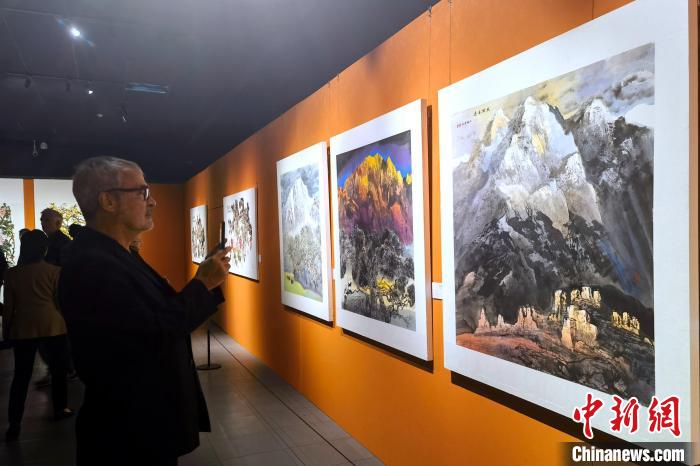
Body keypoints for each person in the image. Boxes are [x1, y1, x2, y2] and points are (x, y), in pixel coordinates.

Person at [59, 156, 230, 466]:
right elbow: (155, 332)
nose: (152, 202)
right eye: (142, 192)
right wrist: (202, 284)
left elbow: (154, 319)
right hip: (129, 432)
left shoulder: (114, 256)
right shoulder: (93, 264)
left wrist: (202, 284)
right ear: (108, 201)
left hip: (139, 422)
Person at [2, 230, 73, 441]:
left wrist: (6, 331)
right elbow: (60, 301)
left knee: (21, 376)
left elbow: (9, 307)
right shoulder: (55, 271)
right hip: (53, 326)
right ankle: (60, 409)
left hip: (23, 328)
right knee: (59, 370)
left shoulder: (12, 274)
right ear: (45, 250)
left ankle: (14, 423)